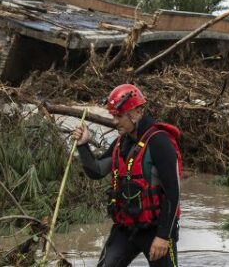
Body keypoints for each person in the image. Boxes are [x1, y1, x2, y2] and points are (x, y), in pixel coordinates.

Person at [72, 84, 181, 267]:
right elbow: (96, 171)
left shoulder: (160, 142)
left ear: (137, 112)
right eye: (113, 115)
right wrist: (83, 145)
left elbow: (173, 194)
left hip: (157, 230)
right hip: (125, 227)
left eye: (119, 116)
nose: (115, 121)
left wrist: (163, 237)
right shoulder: (120, 143)